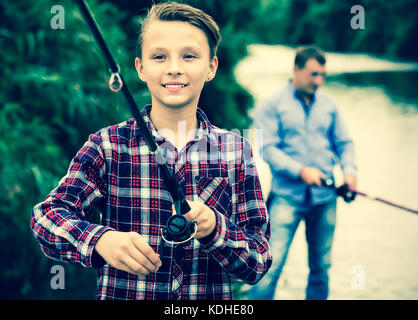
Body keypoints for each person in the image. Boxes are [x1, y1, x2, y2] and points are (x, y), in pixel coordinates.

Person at [30, 2, 271, 300]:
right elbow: (46, 217)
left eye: (189, 56)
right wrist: (100, 240)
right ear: (140, 68)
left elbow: (258, 260)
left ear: (211, 67)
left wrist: (214, 228)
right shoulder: (107, 145)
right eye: (159, 57)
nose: (174, 68)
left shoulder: (237, 151)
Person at [248, 46, 357, 300]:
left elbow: (344, 143)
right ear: (296, 70)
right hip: (286, 198)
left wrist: (350, 173)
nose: (318, 81)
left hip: (325, 200)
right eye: (313, 74)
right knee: (268, 267)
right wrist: (301, 171)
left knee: (321, 268)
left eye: (322, 75)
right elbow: (267, 149)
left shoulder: (329, 105)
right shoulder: (271, 105)